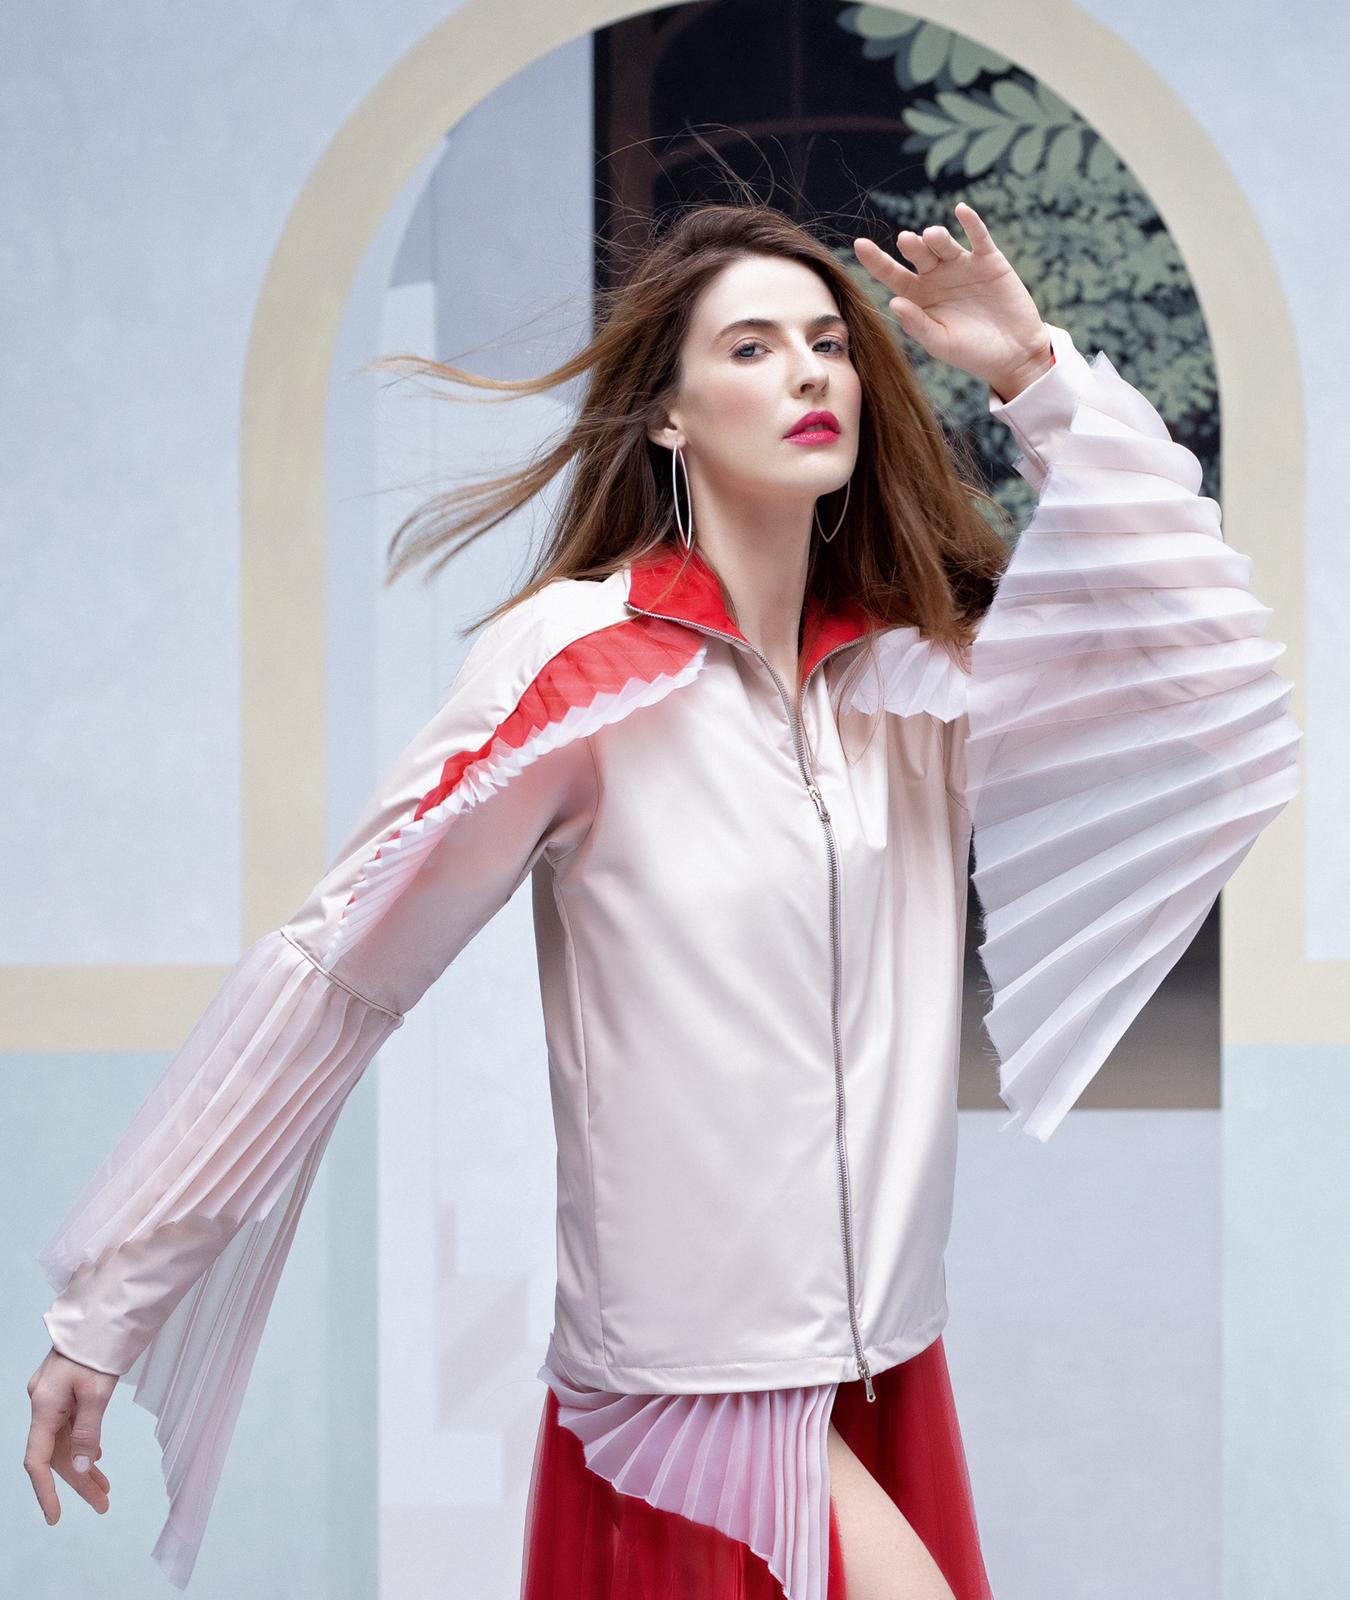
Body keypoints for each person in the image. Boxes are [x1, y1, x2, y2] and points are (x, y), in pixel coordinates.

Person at [25, 199, 1301, 1600]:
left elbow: (1207, 690)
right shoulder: (578, 666)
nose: (808, 372)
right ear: (669, 420)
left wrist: (1034, 376)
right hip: (686, 1384)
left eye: (828, 344)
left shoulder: (908, 674)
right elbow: (343, 971)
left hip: (876, 1355)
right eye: (750, 348)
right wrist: (109, 1312)